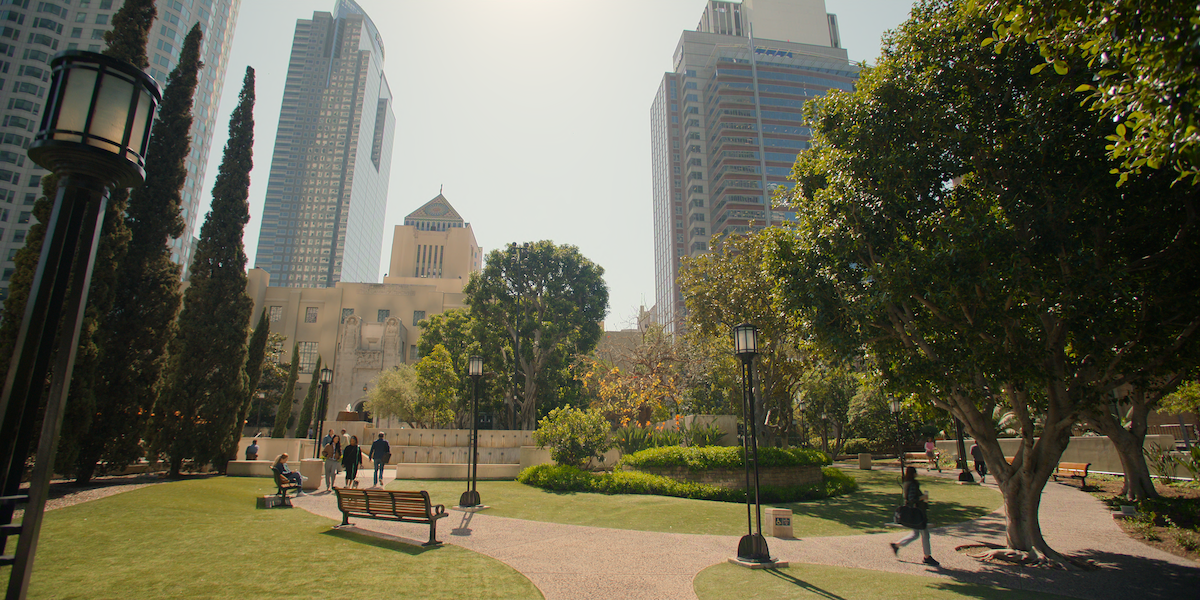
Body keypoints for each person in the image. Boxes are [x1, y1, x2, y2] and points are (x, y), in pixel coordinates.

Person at [890, 466, 938, 566]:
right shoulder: (912, 485)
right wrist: (922, 497)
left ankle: (897, 545)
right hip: (917, 513)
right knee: (924, 534)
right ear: (913, 474)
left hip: (914, 512)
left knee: (916, 534)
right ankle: (927, 556)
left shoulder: (907, 484)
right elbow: (912, 498)